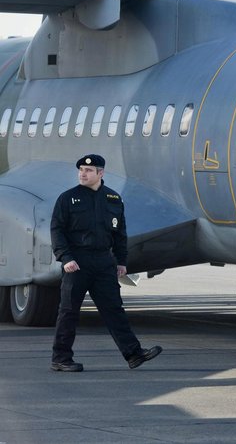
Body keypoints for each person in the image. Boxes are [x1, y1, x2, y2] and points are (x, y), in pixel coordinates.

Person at [50, 154, 162, 372]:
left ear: (100, 173)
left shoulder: (113, 199)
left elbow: (120, 234)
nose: (83, 173)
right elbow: (57, 230)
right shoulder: (68, 198)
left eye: (89, 170)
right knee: (69, 311)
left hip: (103, 262)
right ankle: (61, 358)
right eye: (81, 169)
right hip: (77, 262)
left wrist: (121, 261)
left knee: (114, 309)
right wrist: (66, 257)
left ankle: (133, 354)